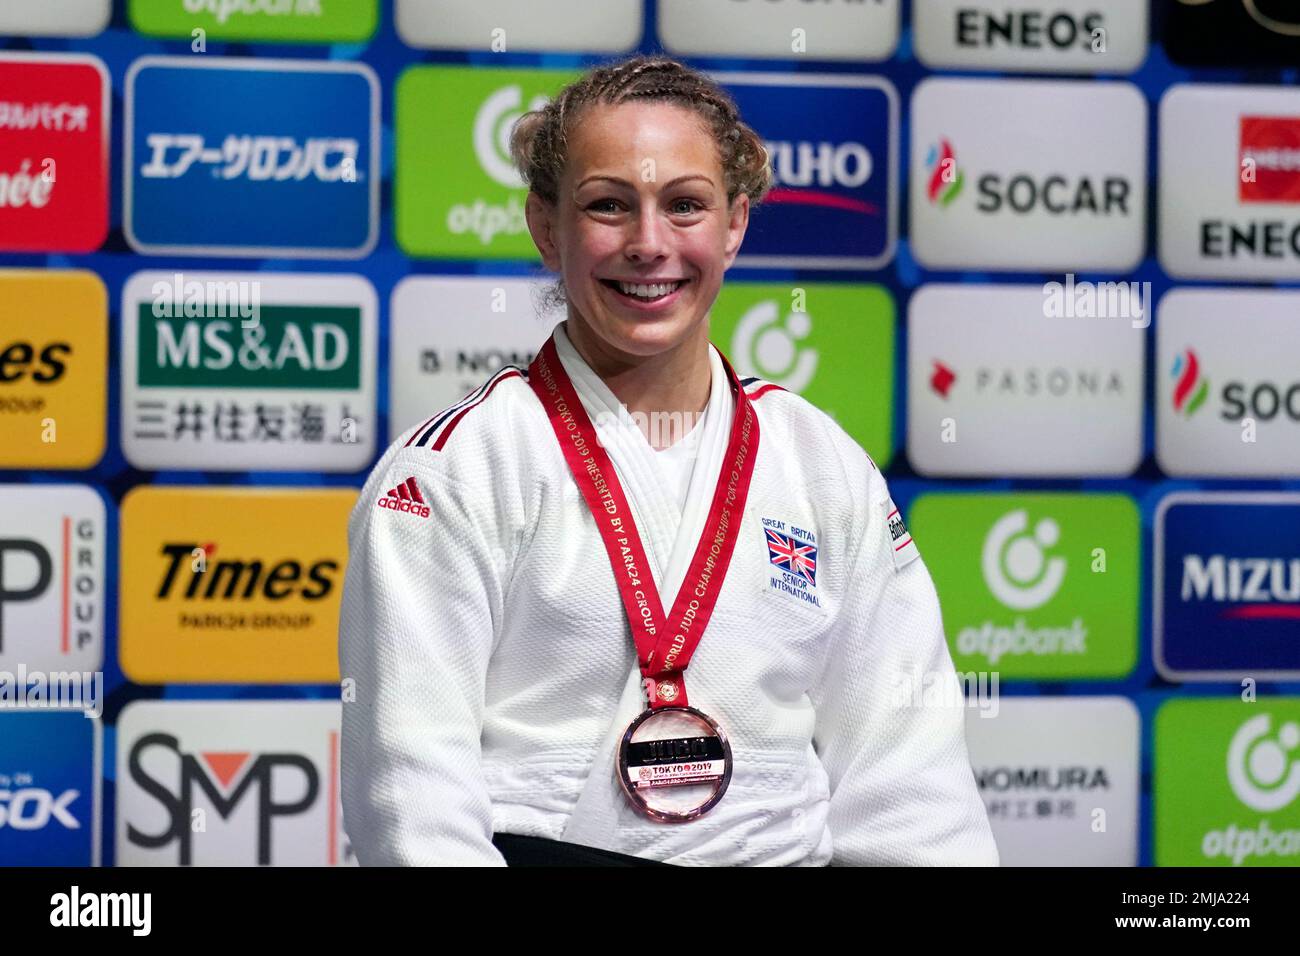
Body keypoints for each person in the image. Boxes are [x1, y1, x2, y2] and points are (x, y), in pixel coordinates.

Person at [338, 54, 998, 867]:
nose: (649, 245)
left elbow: (910, 779)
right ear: (547, 227)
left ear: (735, 224)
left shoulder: (819, 463)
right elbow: (412, 803)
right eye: (608, 206)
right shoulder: (454, 470)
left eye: (685, 205)